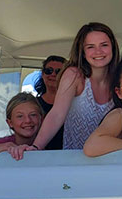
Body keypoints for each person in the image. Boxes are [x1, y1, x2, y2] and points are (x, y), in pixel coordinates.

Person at [31, 22, 117, 150]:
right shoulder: (74, 75)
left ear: (113, 48)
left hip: (112, 160)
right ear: (82, 52)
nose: (98, 51)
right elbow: (57, 114)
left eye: (104, 45)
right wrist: (36, 147)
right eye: (90, 47)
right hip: (76, 161)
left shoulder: (119, 78)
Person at [34, 55, 66, 149]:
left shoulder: (74, 105)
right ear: (43, 74)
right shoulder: (33, 104)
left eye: (58, 71)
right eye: (49, 71)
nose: (53, 75)